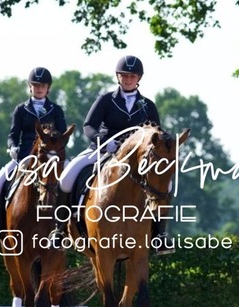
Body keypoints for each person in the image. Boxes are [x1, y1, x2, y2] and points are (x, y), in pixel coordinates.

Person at [48, 55, 174, 255]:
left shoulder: (148, 105)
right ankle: (59, 230)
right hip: (103, 149)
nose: (128, 79)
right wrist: (103, 141)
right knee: (66, 178)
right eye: (124, 75)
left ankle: (160, 235)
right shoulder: (106, 100)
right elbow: (89, 126)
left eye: (132, 76)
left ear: (139, 78)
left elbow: (157, 134)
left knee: (167, 184)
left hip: (136, 158)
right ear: (118, 76)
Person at [0, 67, 67, 244]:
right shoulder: (21, 109)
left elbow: (63, 134)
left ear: (48, 88)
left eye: (42, 85)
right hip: (25, 156)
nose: (39, 88)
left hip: (50, 158)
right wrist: (13, 147)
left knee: (68, 183)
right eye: (35, 85)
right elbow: (13, 135)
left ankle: (63, 227)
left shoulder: (56, 110)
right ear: (30, 86)